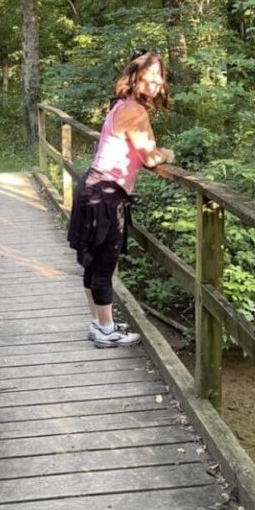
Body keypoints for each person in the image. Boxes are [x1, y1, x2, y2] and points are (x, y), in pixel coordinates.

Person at [68, 49, 175, 348]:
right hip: (105, 195)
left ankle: (99, 323)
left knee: (93, 264)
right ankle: (106, 330)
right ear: (135, 78)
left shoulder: (122, 105)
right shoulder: (135, 111)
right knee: (104, 264)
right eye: (148, 77)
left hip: (94, 189)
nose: (154, 83)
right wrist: (167, 154)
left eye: (159, 78)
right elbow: (151, 157)